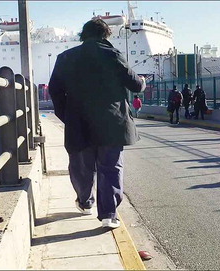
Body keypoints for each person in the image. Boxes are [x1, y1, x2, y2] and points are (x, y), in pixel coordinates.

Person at [48, 18, 146, 229]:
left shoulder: (65, 57)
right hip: (111, 122)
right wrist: (144, 81)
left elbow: (54, 91)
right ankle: (109, 214)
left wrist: (68, 115)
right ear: (106, 35)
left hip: (79, 121)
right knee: (110, 167)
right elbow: (136, 85)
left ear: (84, 35)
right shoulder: (112, 54)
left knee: (82, 167)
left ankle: (85, 202)